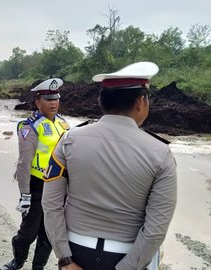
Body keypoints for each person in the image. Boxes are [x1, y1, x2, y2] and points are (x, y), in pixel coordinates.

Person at [42, 62, 177, 270]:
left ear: (100, 100)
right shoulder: (160, 153)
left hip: (75, 250)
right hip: (127, 254)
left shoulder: (69, 140)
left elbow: (51, 205)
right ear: (141, 102)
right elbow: (155, 229)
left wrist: (65, 259)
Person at [1, 78, 70, 270]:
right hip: (37, 186)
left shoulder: (64, 125)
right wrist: (25, 194)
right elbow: (24, 162)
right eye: (48, 99)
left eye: (56, 98)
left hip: (58, 187)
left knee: (49, 233)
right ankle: (18, 261)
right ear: (38, 102)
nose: (53, 103)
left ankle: (38, 266)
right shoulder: (29, 126)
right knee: (28, 233)